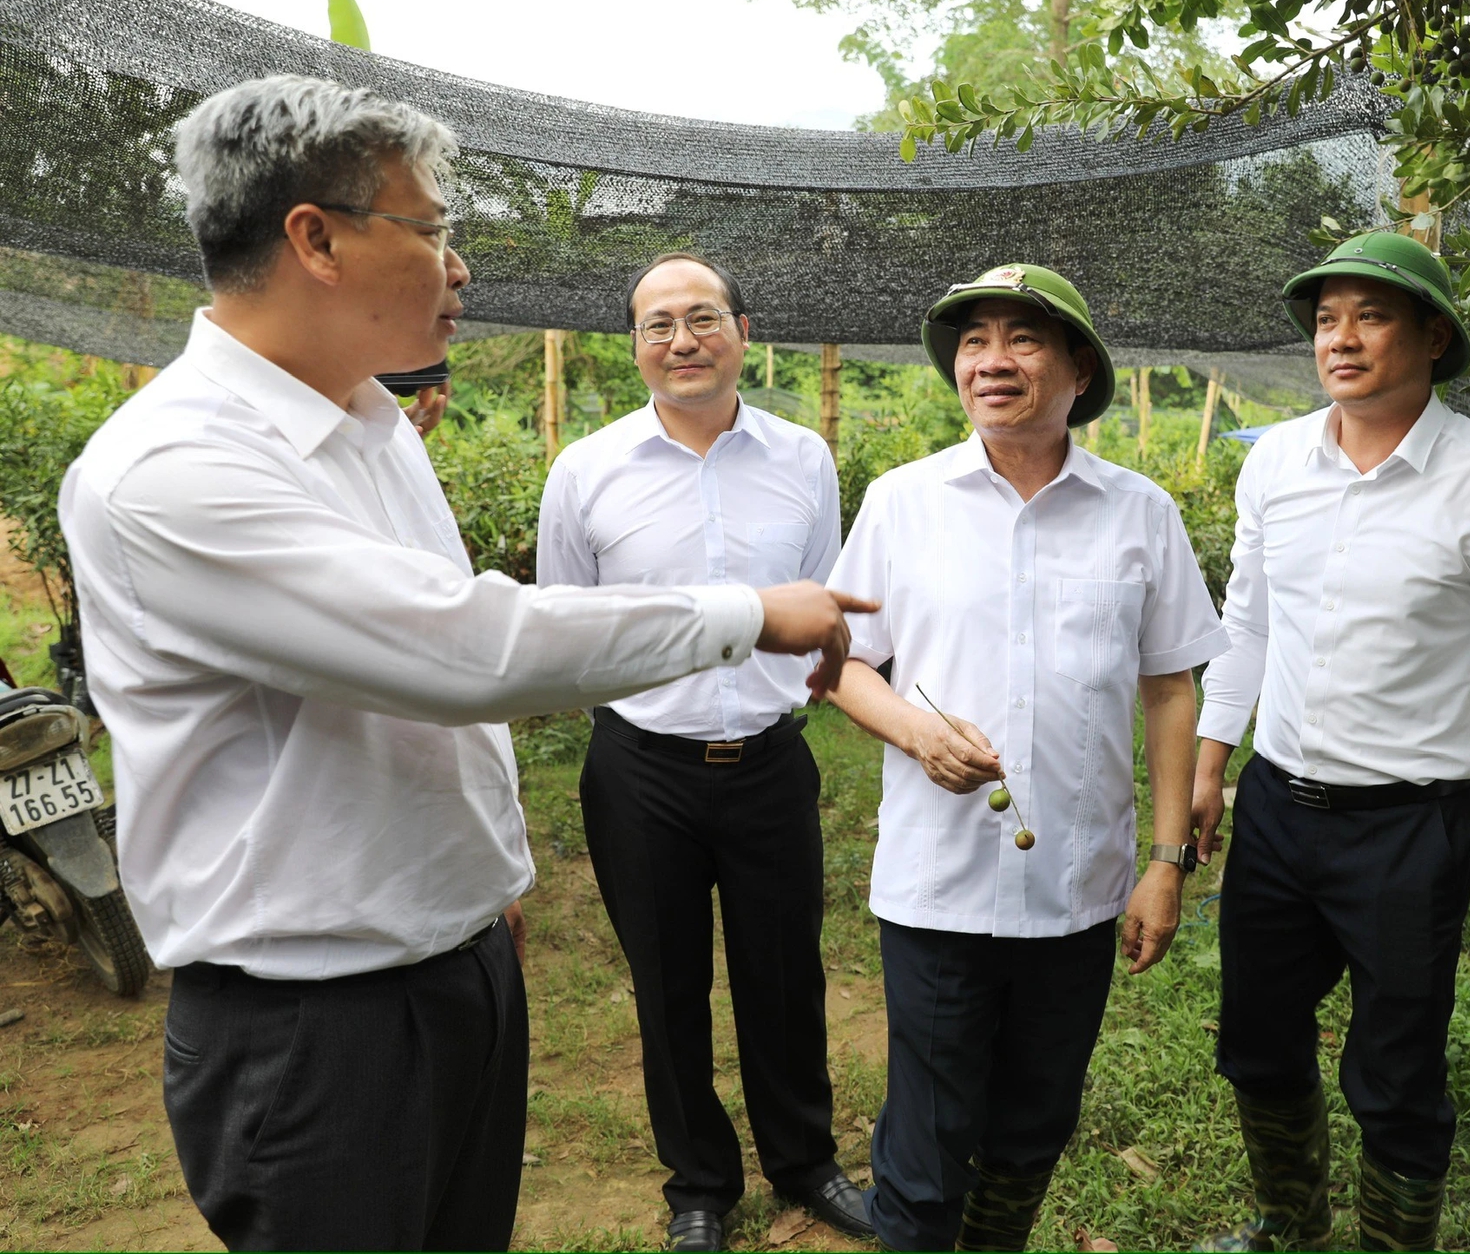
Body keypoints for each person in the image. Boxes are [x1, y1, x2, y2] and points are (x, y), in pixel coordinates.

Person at [57, 75, 870, 1254]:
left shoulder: (371, 428)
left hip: (446, 963)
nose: (460, 266)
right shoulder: (174, 468)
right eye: (433, 229)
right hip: (314, 1026)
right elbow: (467, 646)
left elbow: (423, 688)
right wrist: (745, 610)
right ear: (316, 238)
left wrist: (476, 889)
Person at [1190, 232, 1470, 1253]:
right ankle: (1287, 1221)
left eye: (1369, 314)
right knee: (1255, 1042)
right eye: (1325, 318)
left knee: (1397, 1070)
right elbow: (1247, 624)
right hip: (1276, 811)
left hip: (1406, 829)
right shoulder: (1276, 460)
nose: (1341, 337)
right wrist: (1208, 758)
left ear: (1431, 334)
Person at [824, 265, 1227, 1252]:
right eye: (973, 341)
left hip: (1077, 885)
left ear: (1076, 368)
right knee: (924, 1146)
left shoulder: (1138, 513)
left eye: (1022, 338)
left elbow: (1170, 688)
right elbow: (841, 665)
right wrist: (915, 732)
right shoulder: (902, 500)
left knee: (1034, 1121)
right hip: (936, 884)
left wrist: (1165, 865)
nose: (992, 360)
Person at [536, 252, 870, 1252]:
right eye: (656, 324)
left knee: (783, 972)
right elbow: (566, 623)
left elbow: (817, 606)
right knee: (666, 980)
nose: (679, 340)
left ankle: (804, 1163)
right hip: (642, 768)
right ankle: (697, 1186)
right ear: (635, 345)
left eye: (699, 318)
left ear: (740, 328)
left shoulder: (802, 459)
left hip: (768, 759)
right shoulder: (586, 470)